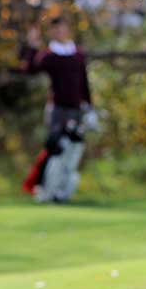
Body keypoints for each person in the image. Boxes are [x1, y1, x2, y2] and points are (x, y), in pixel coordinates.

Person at [22, 14, 98, 203]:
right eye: (55, 29)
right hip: (57, 110)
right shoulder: (49, 55)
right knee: (56, 149)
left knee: (73, 151)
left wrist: (90, 108)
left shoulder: (78, 55)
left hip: (77, 110)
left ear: (67, 29)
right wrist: (32, 45)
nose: (59, 31)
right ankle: (46, 190)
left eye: (62, 27)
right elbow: (31, 69)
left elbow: (84, 83)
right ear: (51, 32)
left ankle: (63, 192)